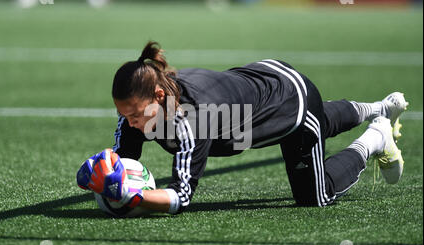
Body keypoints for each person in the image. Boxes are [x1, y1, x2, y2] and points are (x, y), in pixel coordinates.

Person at [76, 41, 408, 215]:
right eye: (124, 114)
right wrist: (96, 172)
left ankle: (375, 137)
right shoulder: (144, 105)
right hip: (253, 92)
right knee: (322, 122)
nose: (129, 122)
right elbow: (120, 159)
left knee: (313, 196)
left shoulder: (194, 120)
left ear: (159, 96)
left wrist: (136, 199)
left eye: (133, 114)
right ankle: (380, 107)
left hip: (287, 100)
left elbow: (180, 196)